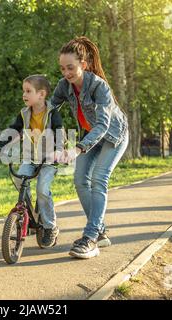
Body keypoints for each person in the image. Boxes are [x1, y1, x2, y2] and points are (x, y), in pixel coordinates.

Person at [51, 36, 129, 259]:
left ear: (83, 65)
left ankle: (91, 237)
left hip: (113, 136)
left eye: (71, 67)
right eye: (63, 68)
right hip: (90, 137)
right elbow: (49, 108)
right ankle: (101, 232)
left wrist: (77, 148)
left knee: (99, 179)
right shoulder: (64, 86)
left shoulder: (98, 86)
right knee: (79, 180)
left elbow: (103, 125)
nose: (66, 72)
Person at [0, 74, 65, 248]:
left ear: (41, 94)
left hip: (48, 160)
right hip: (30, 158)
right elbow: (13, 130)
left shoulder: (52, 113)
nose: (24, 95)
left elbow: (60, 132)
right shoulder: (24, 113)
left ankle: (49, 226)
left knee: (42, 189)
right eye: (23, 91)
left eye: (28, 91)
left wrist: (59, 151)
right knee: (19, 178)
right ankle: (29, 214)